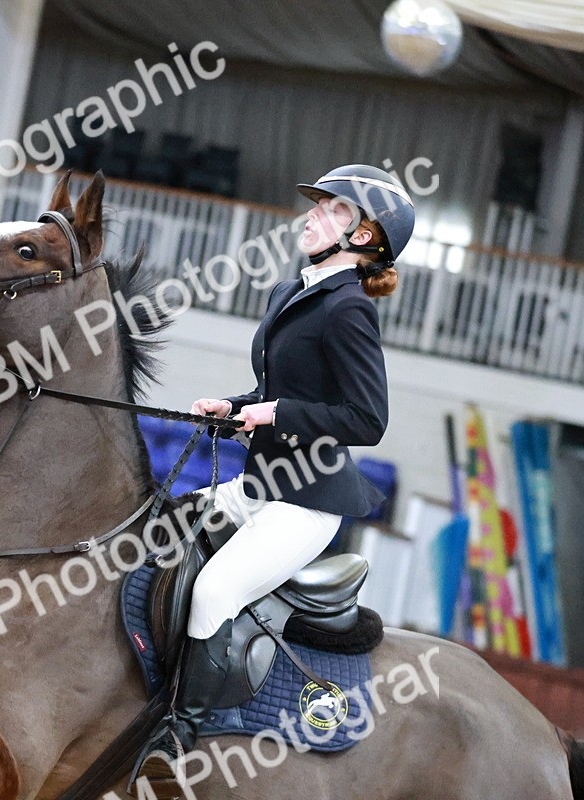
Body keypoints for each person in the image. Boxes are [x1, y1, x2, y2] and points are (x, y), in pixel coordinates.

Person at [132, 164, 415, 791]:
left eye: (333, 211)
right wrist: (238, 408)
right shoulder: (292, 291)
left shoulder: (349, 310)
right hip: (257, 487)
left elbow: (367, 420)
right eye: (318, 206)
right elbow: (279, 391)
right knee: (155, 535)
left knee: (212, 593)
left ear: (365, 238)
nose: (313, 215)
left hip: (305, 507)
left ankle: (179, 734)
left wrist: (274, 414)